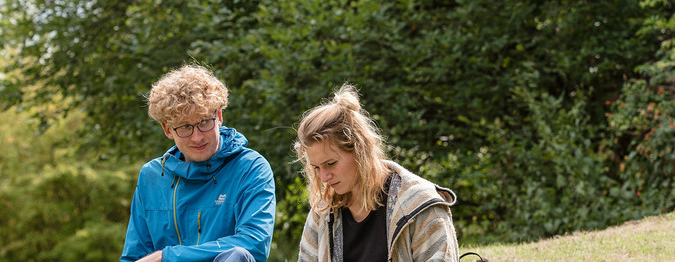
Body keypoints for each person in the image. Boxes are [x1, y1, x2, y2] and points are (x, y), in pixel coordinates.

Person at [121, 64, 276, 262]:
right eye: (185, 127)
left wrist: (168, 256)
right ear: (167, 130)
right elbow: (134, 257)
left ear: (219, 116)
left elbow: (254, 243)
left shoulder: (251, 167)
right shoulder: (151, 176)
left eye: (204, 122)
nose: (197, 137)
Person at [294, 84, 460, 261]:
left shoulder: (418, 206)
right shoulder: (324, 210)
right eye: (316, 167)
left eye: (331, 163)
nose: (324, 177)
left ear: (360, 149)